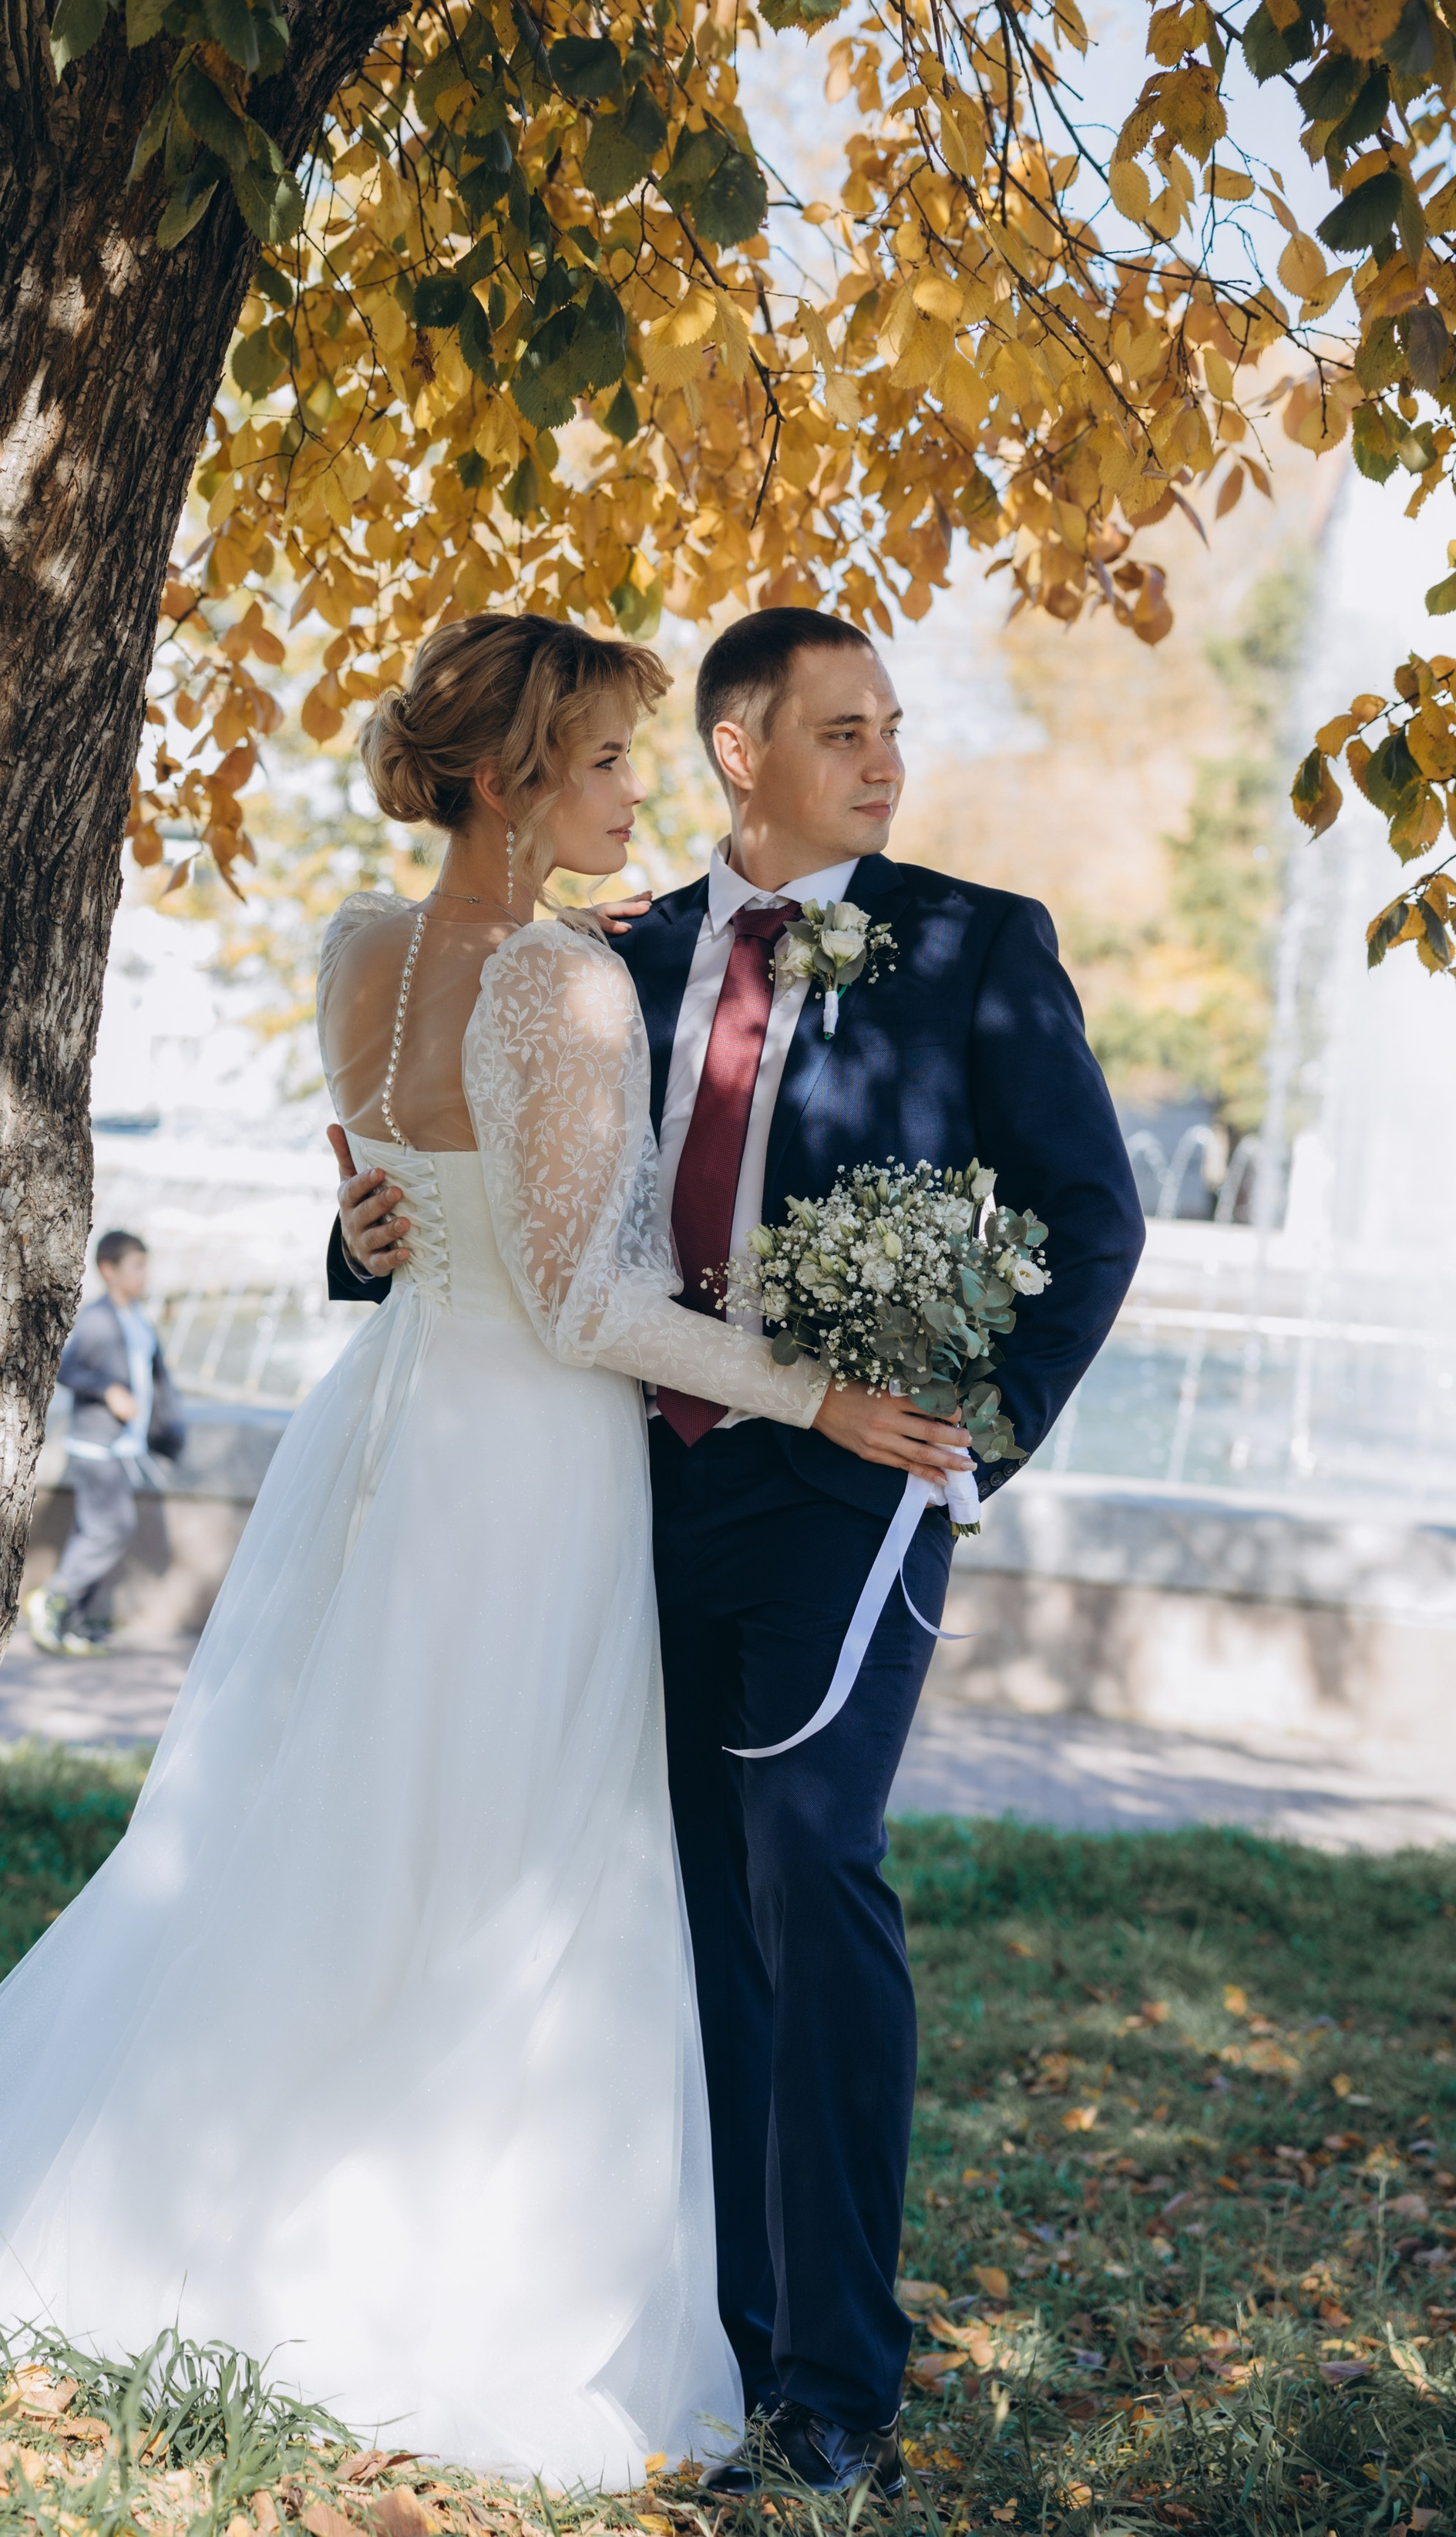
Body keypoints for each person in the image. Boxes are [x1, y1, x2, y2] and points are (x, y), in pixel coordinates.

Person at [0, 613, 903, 2485]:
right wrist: (812, 1390)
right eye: (596, 760)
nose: (624, 793)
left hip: (389, 1426)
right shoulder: (566, 989)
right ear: (507, 778)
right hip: (532, 1457)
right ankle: (434, 2260)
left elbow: (388, 1200)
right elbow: (587, 1304)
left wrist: (393, 1204)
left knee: (328, 1819)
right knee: (518, 1852)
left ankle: (216, 2188)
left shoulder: (360, 952)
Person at [334, 604, 1143, 2498]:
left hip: (852, 1489)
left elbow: (1090, 1223)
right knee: (685, 1897)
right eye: (842, 728)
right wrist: (360, 1229)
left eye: (890, 728)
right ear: (735, 750)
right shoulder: (624, 947)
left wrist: (964, 1448)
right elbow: (518, 1207)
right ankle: (722, 2325)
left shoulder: (971, 947)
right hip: (624, 1484)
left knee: (802, 1850)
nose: (883, 759)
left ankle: (836, 2389)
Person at [27, 1230, 187, 1657]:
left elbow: (155, 1380)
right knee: (112, 1527)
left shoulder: (137, 1317)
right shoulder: (98, 1319)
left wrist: (167, 1432)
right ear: (108, 1271)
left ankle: (72, 1623)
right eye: (135, 1266)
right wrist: (108, 1389)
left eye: (144, 1266)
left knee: (92, 1530)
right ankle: (53, 1599)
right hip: (98, 1447)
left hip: (123, 1446)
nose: (143, 1275)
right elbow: (66, 1366)